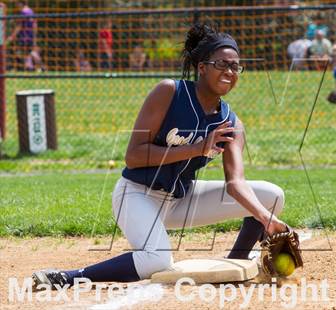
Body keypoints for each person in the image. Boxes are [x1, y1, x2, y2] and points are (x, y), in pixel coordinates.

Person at [32, 23, 290, 288]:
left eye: (236, 66)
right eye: (222, 64)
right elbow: (133, 155)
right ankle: (68, 277)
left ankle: (235, 261)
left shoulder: (231, 122)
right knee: (156, 260)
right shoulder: (170, 92)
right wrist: (198, 148)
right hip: (136, 195)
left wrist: (265, 218)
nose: (230, 71)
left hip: (180, 200)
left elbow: (236, 184)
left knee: (272, 197)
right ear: (202, 67)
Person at [5, 1, 37, 71]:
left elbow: (19, 26)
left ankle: (33, 66)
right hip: (30, 35)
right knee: (28, 52)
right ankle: (30, 67)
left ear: (21, 3)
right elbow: (35, 24)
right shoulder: (30, 11)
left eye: (17, 3)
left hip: (24, 36)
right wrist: (34, 35)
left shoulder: (23, 12)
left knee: (19, 51)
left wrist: (12, 37)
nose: (16, 5)